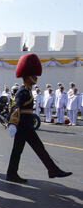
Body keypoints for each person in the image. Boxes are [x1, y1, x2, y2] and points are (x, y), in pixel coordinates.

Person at [6, 54, 72, 183]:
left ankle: (12, 173)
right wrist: (12, 124)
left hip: (26, 124)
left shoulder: (28, 90)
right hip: (23, 125)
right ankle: (52, 170)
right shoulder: (22, 91)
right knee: (37, 148)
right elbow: (16, 108)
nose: (36, 77)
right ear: (27, 76)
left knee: (19, 150)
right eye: (33, 75)